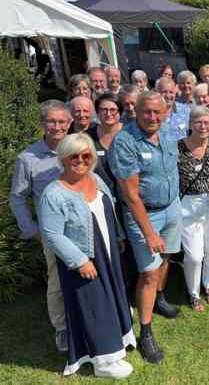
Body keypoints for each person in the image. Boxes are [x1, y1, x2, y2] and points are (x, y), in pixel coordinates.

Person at [38, 133, 135, 378]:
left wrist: (119, 235)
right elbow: (52, 235)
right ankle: (104, 360)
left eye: (86, 155)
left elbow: (110, 207)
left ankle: (119, 339)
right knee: (94, 304)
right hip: (84, 257)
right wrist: (80, 260)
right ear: (63, 158)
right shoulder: (54, 193)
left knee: (110, 295)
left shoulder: (95, 179)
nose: (80, 160)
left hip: (107, 250)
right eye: (74, 156)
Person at [109, 90, 183, 363]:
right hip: (145, 216)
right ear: (136, 112)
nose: (152, 117)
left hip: (172, 207)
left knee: (166, 259)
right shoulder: (125, 142)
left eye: (157, 112)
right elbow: (130, 195)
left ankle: (159, 299)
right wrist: (149, 233)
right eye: (146, 112)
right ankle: (146, 332)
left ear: (165, 113)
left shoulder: (168, 134)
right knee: (149, 273)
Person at [10, 100, 72, 351]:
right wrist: (32, 229)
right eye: (51, 121)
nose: (57, 126)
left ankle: (84, 319)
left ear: (69, 124)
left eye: (61, 121)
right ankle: (62, 329)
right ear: (42, 124)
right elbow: (17, 197)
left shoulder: (78, 148)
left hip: (84, 228)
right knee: (57, 281)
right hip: (53, 233)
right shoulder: (28, 158)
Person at [178, 106, 209, 310]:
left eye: (207, 122)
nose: (203, 125)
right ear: (190, 124)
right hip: (187, 205)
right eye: (198, 121)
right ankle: (193, 292)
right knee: (194, 255)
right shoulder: (177, 148)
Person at [87, 93, 123, 198]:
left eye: (113, 110)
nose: (108, 114)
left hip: (127, 199)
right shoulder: (87, 137)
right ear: (97, 112)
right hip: (98, 196)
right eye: (104, 109)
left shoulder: (130, 134)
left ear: (120, 112)